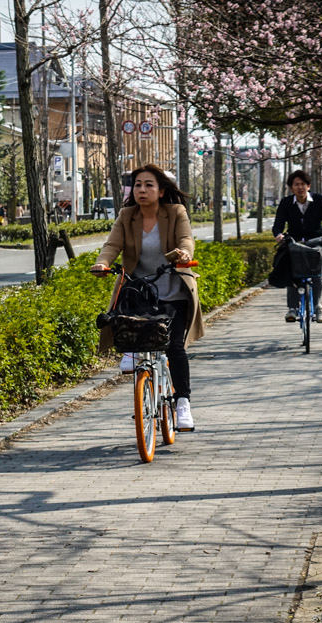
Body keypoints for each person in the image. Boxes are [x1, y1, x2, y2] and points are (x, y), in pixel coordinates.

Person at [89, 164, 204, 432]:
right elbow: (112, 245)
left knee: (174, 347)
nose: (142, 190)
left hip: (173, 291)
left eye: (149, 185)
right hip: (139, 292)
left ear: (161, 191)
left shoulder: (175, 212)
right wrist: (102, 263)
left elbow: (186, 239)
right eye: (138, 185)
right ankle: (133, 355)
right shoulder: (127, 215)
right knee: (128, 329)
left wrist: (185, 253)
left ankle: (183, 403)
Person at [272, 170, 322, 323]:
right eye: (296, 185)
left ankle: (317, 306)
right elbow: (278, 224)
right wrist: (278, 234)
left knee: (317, 276)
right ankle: (293, 308)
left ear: (308, 186)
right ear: (291, 188)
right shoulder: (286, 203)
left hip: (315, 242)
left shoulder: (319, 201)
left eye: (303, 184)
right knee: (292, 275)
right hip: (294, 243)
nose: (300, 187)